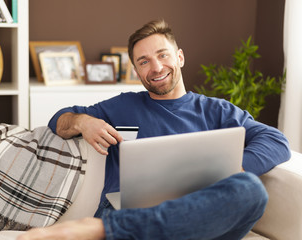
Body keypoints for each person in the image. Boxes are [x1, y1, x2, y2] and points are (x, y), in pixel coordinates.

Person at [17, 19, 290, 240]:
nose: (156, 67)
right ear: (136, 70)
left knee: (251, 190)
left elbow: (275, 140)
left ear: (180, 57)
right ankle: (107, 229)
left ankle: (103, 231)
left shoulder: (217, 110)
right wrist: (82, 121)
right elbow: (59, 120)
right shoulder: (122, 106)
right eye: (144, 61)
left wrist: (236, 168)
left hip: (199, 220)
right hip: (131, 215)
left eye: (163, 55)